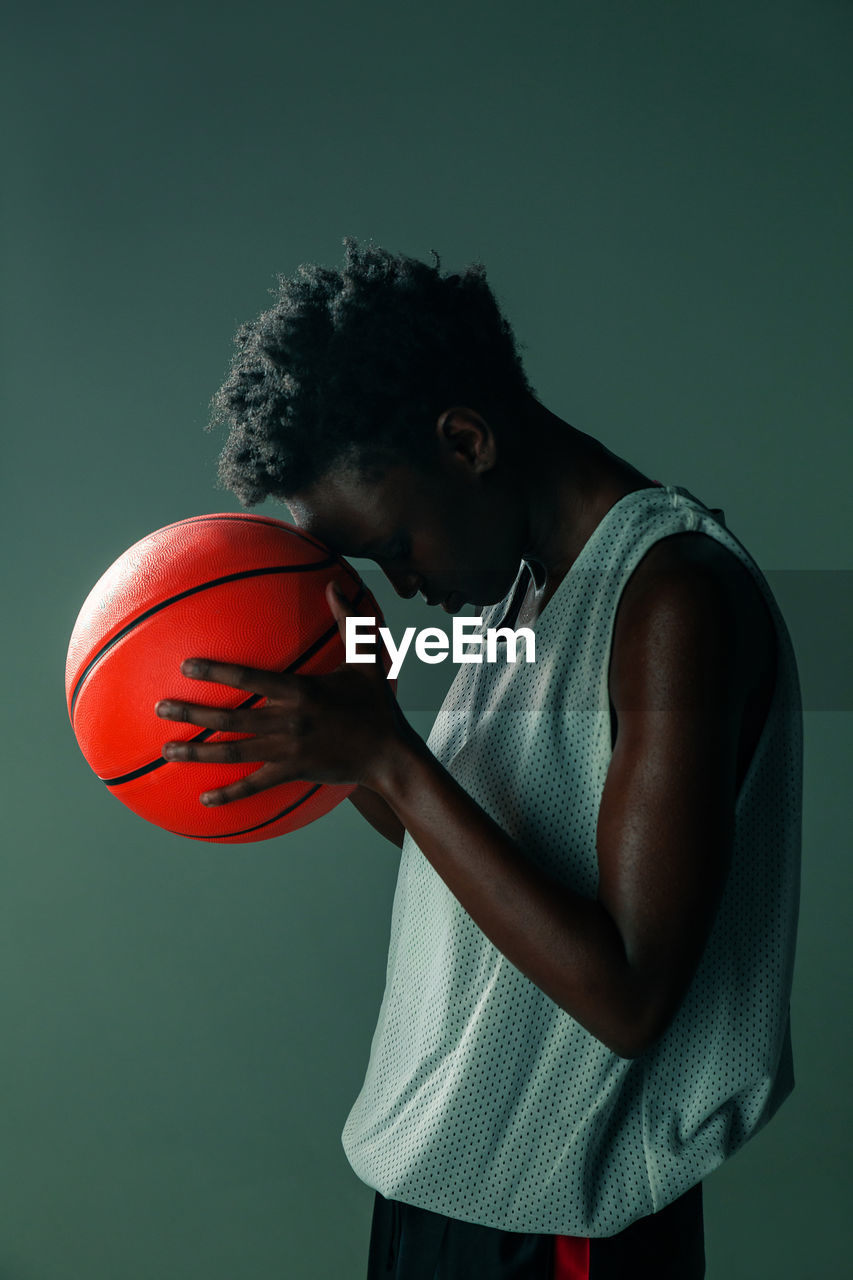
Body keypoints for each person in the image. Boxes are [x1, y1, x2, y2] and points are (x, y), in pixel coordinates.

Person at [155, 239, 802, 1278]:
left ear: (463, 442)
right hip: (438, 1183)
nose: (400, 585)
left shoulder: (671, 598)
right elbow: (458, 851)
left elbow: (629, 996)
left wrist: (390, 753)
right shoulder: (508, 594)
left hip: (559, 1222)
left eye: (396, 546)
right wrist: (351, 732)